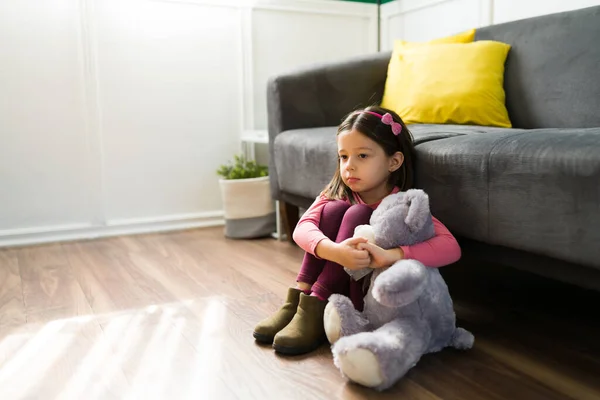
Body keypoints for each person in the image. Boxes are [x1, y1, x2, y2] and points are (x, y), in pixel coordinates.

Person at [253, 105, 461, 355]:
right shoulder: (338, 193)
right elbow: (302, 228)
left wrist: (393, 254)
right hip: (327, 282)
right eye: (343, 156)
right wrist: (335, 251)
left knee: (358, 214)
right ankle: (300, 299)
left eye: (362, 156)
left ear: (394, 161)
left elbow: (451, 247)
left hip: (361, 298)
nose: (349, 166)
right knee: (331, 210)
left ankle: (317, 305)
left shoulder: (400, 206)